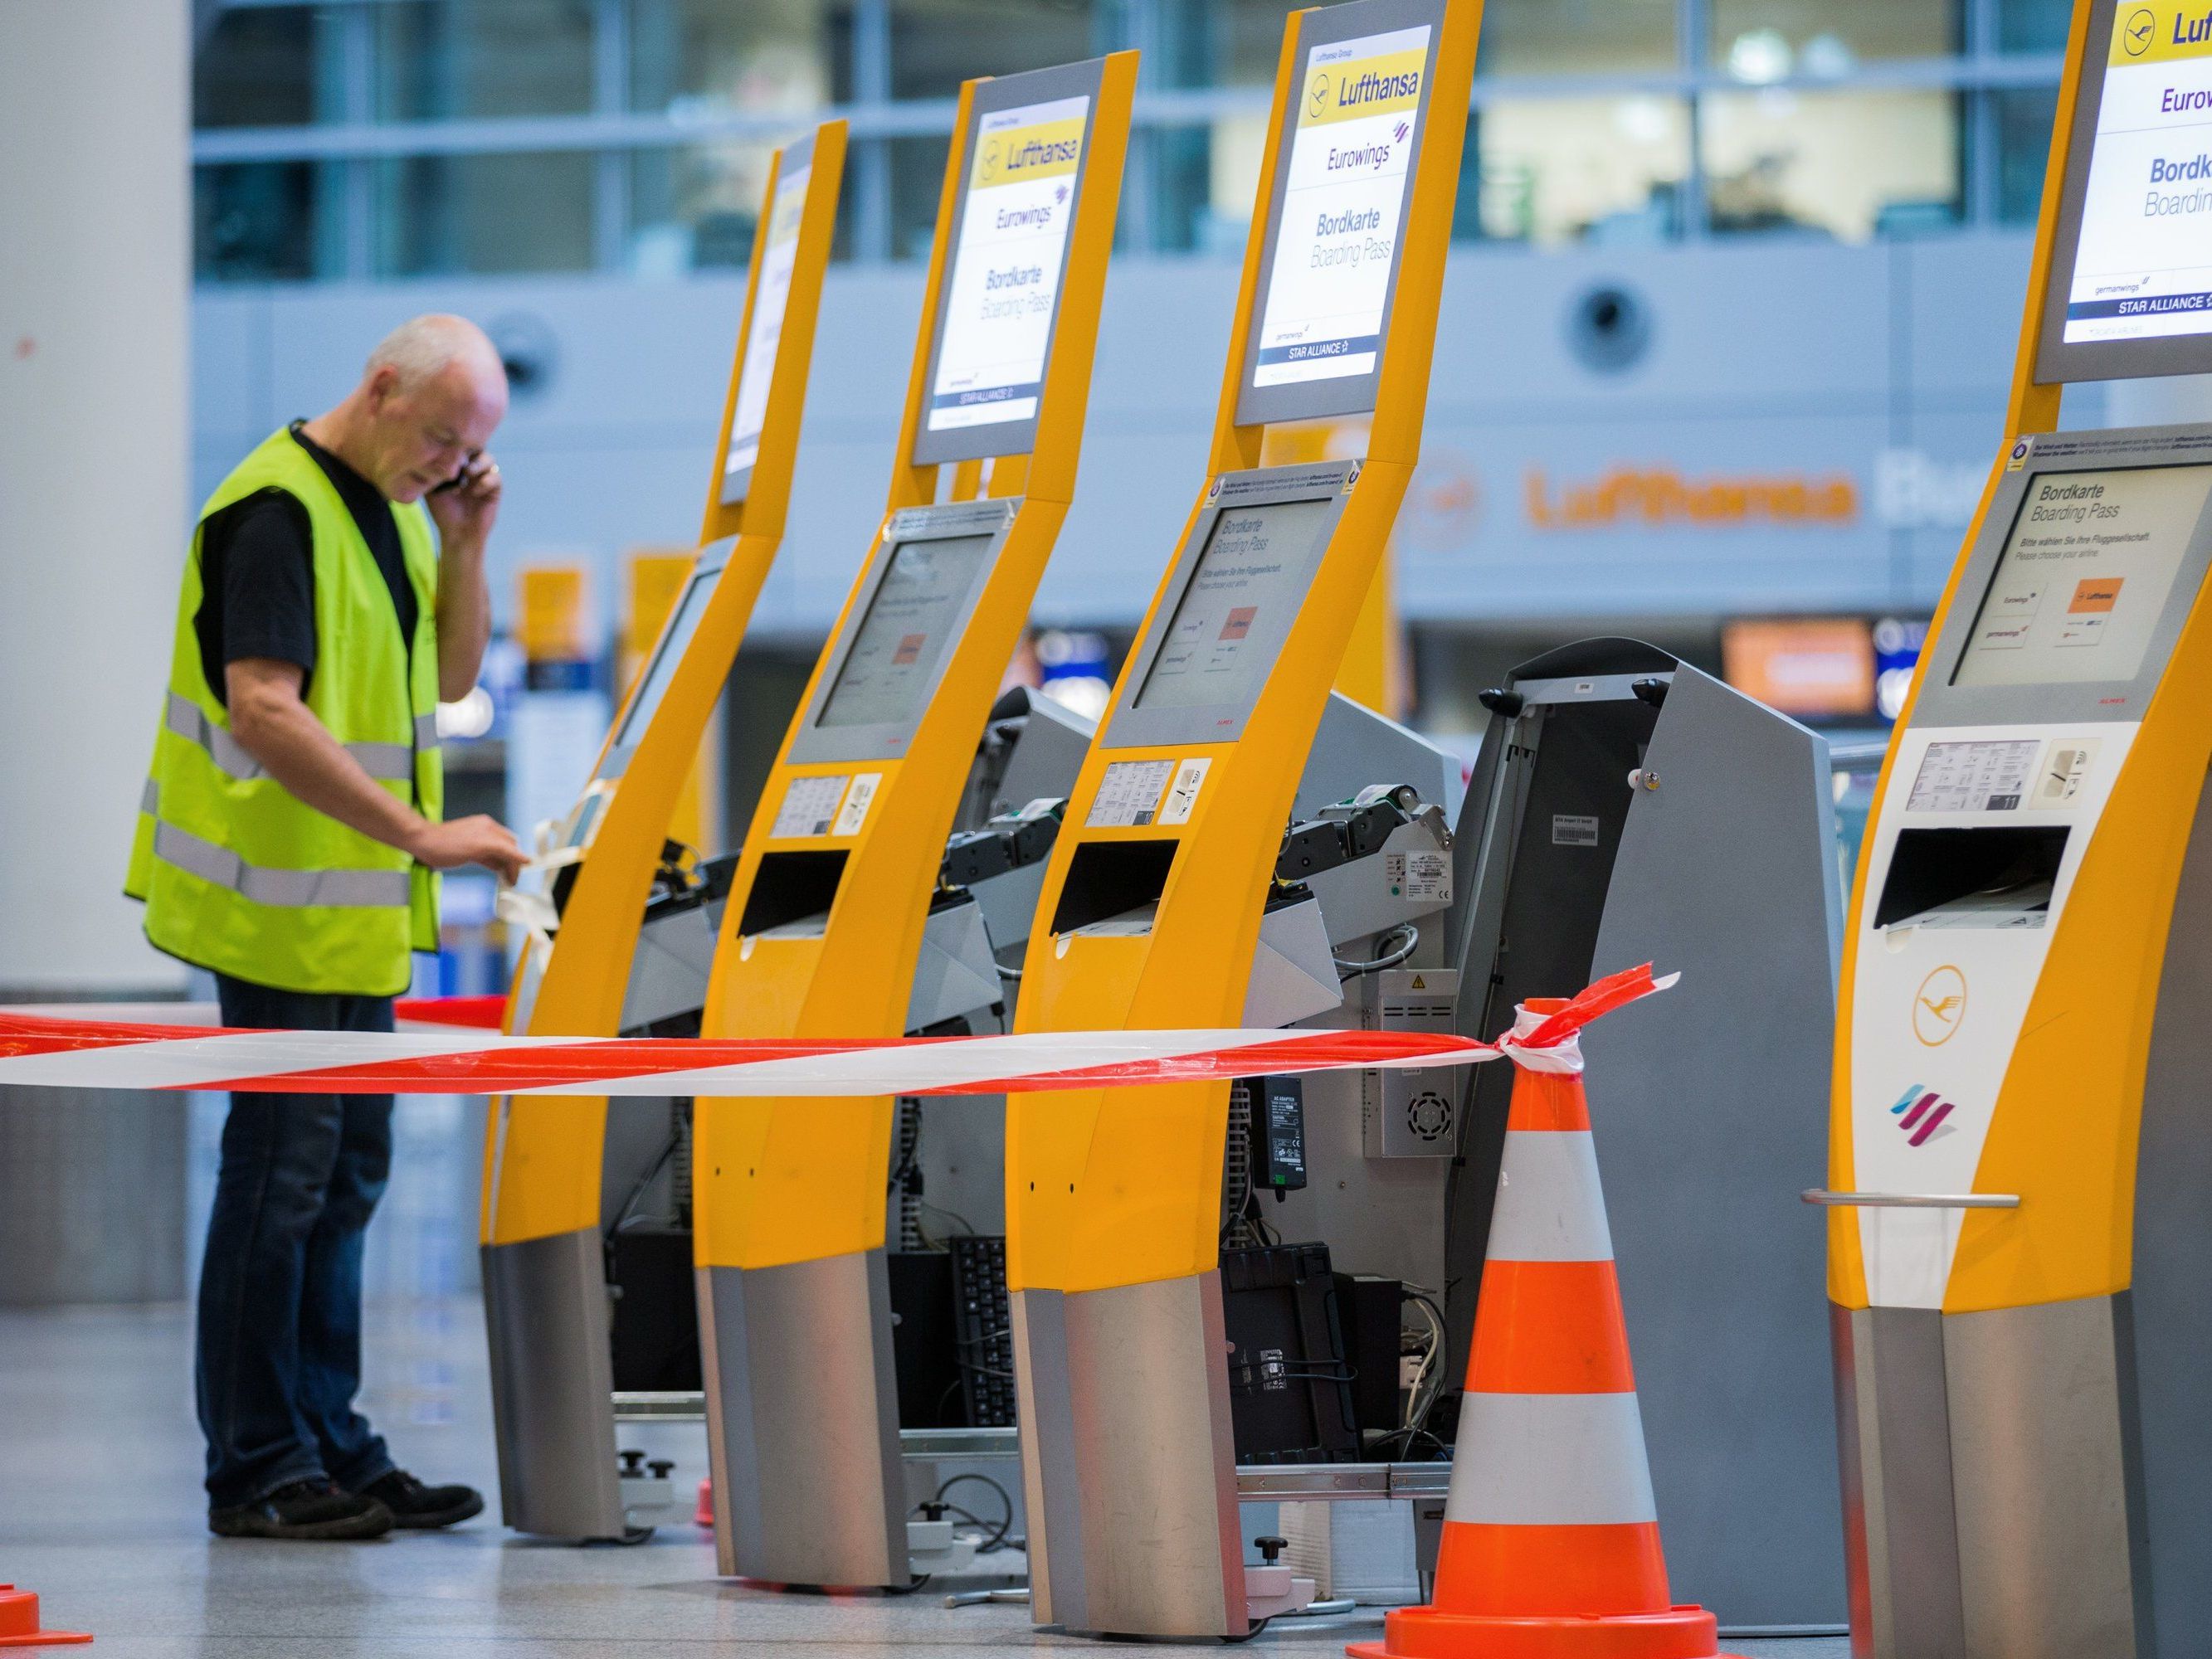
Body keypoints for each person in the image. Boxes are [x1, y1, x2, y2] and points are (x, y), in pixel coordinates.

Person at [126, 315, 529, 1540]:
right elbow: (264, 709)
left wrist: (465, 544)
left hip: (343, 922)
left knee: (346, 1174)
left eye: (472, 455)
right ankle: (257, 1467)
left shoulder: (401, 514)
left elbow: (451, 682)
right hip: (273, 909)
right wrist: (420, 836)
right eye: (442, 443)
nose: (449, 466)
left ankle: (331, 1442)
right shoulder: (276, 510)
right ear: (380, 389)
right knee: (281, 1176)